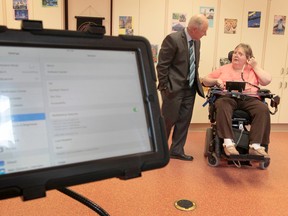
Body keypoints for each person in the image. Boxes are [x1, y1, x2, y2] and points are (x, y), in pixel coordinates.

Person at [202, 43, 272, 157]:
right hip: (228, 97)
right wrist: (215, 81)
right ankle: (228, 144)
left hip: (249, 98)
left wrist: (255, 66)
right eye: (235, 52)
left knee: (262, 109)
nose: (236, 55)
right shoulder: (224, 68)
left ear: (248, 58)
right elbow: (205, 80)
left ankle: (255, 146)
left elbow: (267, 80)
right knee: (222, 104)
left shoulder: (252, 70)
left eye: (240, 54)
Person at [156, 14, 209, 161]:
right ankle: (159, 150)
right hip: (173, 88)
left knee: (184, 121)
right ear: (193, 29)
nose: (205, 34)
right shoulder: (173, 39)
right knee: (168, 120)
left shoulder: (197, 42)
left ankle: (177, 150)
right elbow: (162, 65)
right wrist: (164, 87)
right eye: (204, 31)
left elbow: (194, 64)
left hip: (190, 88)